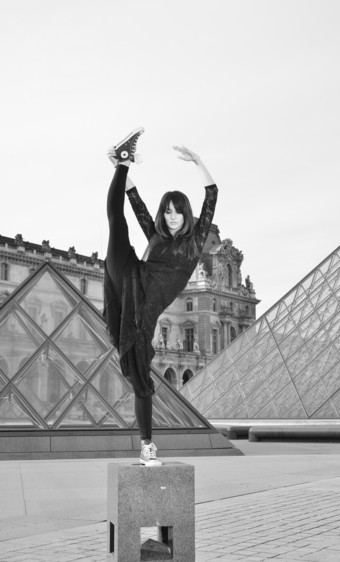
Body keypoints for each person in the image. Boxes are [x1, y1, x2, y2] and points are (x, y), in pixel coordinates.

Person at [103, 128, 218, 466]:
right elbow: (134, 201)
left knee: (141, 381)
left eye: (176, 211)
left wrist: (199, 162)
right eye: (166, 210)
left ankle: (147, 446)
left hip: (141, 312)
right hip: (128, 275)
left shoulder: (195, 244)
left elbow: (212, 196)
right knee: (116, 223)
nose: (171, 216)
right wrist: (126, 174)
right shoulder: (154, 233)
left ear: (186, 214)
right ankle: (121, 162)